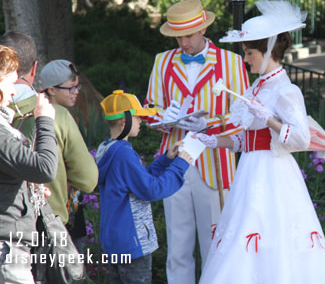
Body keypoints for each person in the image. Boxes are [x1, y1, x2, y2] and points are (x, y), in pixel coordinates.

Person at [196, 0, 325, 284]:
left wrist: (270, 120)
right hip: (250, 170)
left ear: (268, 50)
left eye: (249, 53)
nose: (245, 59)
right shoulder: (256, 87)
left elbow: (299, 137)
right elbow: (245, 140)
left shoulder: (286, 90)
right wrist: (213, 141)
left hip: (274, 173)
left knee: (271, 239)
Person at [144, 0, 249, 284]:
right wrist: (166, 119)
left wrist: (210, 124)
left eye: (189, 35)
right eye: (178, 36)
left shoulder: (232, 62)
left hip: (215, 164)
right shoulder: (162, 62)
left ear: (203, 29)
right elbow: (149, 109)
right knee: (177, 249)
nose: (183, 41)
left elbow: (244, 117)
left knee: (216, 246)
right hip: (175, 163)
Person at [96, 90, 192, 284]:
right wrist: (180, 165)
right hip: (133, 243)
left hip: (115, 242)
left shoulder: (107, 148)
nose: (141, 121)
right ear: (125, 120)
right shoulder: (124, 153)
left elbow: (136, 181)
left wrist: (165, 160)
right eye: (138, 117)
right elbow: (151, 189)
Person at [9, 52, 98, 248]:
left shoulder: (10, 111)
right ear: (51, 90)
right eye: (70, 88)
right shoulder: (61, 116)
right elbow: (89, 180)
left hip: (13, 220)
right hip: (54, 220)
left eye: (77, 86)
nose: (76, 92)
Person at [0, 45, 57, 284]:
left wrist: (27, 187)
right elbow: (45, 168)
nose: (14, 92)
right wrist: (44, 120)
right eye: (10, 83)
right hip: (6, 252)